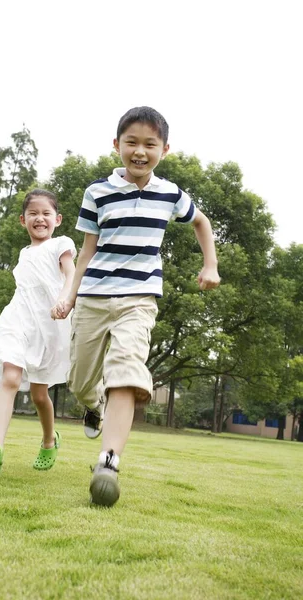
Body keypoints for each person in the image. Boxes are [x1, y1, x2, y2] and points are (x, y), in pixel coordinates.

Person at [54, 106, 220, 507]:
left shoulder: (170, 194)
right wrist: (70, 294)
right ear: (117, 145)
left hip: (139, 298)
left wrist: (210, 264)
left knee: (126, 368)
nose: (140, 151)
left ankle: (108, 461)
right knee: (80, 381)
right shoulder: (97, 193)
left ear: (165, 148)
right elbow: (87, 251)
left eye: (150, 144)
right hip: (94, 296)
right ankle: (93, 407)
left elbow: (202, 222)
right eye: (132, 142)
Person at [0, 189, 76, 476]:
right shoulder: (24, 253)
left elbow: (70, 273)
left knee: (39, 395)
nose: (40, 219)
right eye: (33, 214)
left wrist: (64, 300)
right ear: (23, 220)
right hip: (18, 318)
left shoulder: (61, 244)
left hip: (49, 325)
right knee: (10, 376)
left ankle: (48, 440)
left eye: (46, 214)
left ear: (57, 219)